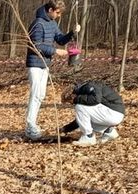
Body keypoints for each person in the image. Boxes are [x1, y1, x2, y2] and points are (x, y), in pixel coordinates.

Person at [23, 1, 78, 141]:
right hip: (35, 64)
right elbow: (36, 46)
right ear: (50, 10)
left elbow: (60, 39)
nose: (59, 16)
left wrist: (72, 33)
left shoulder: (52, 23)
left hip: (44, 64)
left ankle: (32, 124)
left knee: (41, 95)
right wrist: (55, 51)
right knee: (35, 95)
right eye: (57, 12)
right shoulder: (38, 24)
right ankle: (30, 126)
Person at [60, 81, 125, 146]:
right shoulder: (86, 90)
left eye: (70, 102)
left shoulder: (90, 86)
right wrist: (66, 128)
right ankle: (109, 132)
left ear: (73, 95)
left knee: (79, 106)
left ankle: (88, 137)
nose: (72, 103)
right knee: (85, 116)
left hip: (113, 112)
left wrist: (76, 99)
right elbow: (82, 120)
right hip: (115, 113)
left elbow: (96, 99)